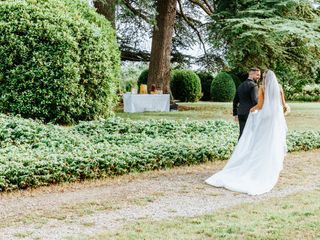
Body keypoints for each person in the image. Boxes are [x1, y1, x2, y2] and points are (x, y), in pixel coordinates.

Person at [205, 70, 288, 195]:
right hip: (275, 120)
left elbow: (259, 106)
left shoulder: (262, 88)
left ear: (264, 78)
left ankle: (257, 168)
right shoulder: (280, 88)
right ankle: (271, 167)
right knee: (273, 142)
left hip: (265, 120)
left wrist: (252, 110)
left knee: (260, 143)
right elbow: (283, 105)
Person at [233, 68, 260, 138]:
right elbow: (255, 101)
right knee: (250, 134)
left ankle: (239, 148)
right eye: (257, 75)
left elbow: (235, 100)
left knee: (242, 133)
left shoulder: (240, 86)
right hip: (250, 113)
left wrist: (235, 113)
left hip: (241, 113)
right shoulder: (254, 86)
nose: (259, 77)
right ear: (252, 74)